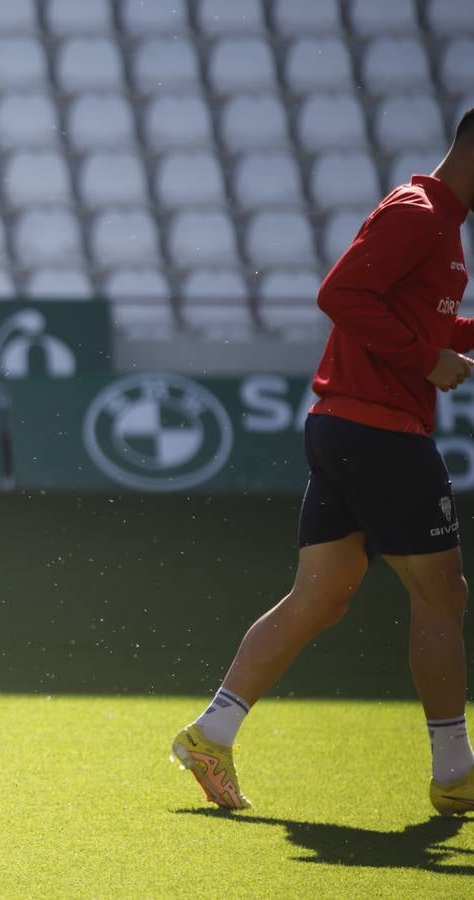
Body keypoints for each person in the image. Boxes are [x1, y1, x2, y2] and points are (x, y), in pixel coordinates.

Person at [172, 107, 474, 815]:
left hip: (346, 425)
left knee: (324, 594)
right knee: (443, 595)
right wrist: (427, 359)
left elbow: (414, 314)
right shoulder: (421, 212)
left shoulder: (436, 221)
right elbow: (340, 294)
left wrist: (444, 341)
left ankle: (211, 733)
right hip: (380, 429)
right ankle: (456, 772)